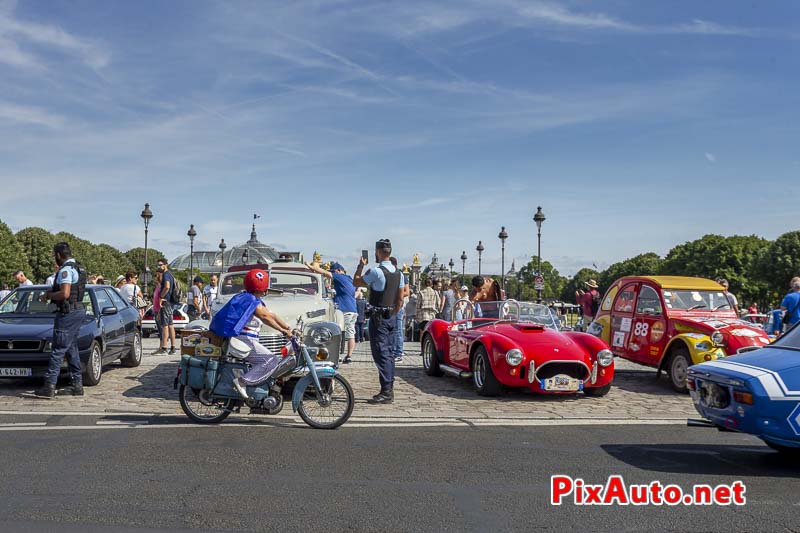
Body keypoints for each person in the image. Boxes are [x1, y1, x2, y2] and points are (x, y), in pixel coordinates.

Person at [210, 269, 293, 399]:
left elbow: (272, 315)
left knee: (269, 362)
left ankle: (258, 390)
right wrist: (283, 331)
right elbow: (265, 317)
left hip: (247, 339)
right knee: (272, 361)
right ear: (262, 287)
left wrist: (289, 328)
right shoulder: (250, 300)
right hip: (244, 340)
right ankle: (242, 382)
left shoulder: (251, 299)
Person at [354, 238, 404, 404]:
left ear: (378, 252)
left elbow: (356, 281)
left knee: (381, 353)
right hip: (391, 317)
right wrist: (394, 313)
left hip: (378, 317)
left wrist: (361, 265)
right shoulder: (399, 273)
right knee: (389, 353)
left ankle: (387, 391)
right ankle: (388, 387)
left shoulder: (376, 271)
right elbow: (400, 299)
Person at [33, 242, 86, 398]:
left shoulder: (66, 270)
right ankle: (77, 385)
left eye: (53, 255)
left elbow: (65, 294)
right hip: (78, 310)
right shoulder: (79, 267)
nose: (53, 259)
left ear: (58, 255)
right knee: (71, 348)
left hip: (68, 313)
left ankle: (49, 386)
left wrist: (49, 296)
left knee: (58, 349)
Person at [305, 261, 358, 364]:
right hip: (353, 309)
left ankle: (337, 355)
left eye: (333, 272)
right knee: (351, 334)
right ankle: (349, 356)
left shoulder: (339, 277)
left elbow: (325, 273)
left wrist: (311, 267)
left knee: (337, 333)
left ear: (338, 271)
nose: (332, 274)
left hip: (343, 309)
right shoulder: (349, 279)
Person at [154, 259, 177, 355]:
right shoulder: (171, 275)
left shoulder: (166, 275)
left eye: (161, 265)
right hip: (170, 302)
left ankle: (164, 347)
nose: (159, 267)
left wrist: (161, 297)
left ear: (166, 265)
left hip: (165, 302)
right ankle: (173, 347)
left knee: (165, 325)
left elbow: (167, 287)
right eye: (158, 265)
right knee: (171, 325)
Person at [389, 257, 409, 363]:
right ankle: (393, 351)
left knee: (397, 329)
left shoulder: (401, 275)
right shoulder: (392, 275)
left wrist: (395, 294)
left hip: (398, 305)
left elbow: (406, 292)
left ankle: (399, 352)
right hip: (391, 304)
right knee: (392, 329)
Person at [152, 271, 163, 340]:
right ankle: (161, 345)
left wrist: (159, 312)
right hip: (155, 310)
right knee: (159, 329)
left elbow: (160, 300)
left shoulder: (160, 287)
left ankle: (162, 345)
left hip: (159, 310)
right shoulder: (157, 287)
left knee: (161, 329)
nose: (154, 278)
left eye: (155, 276)